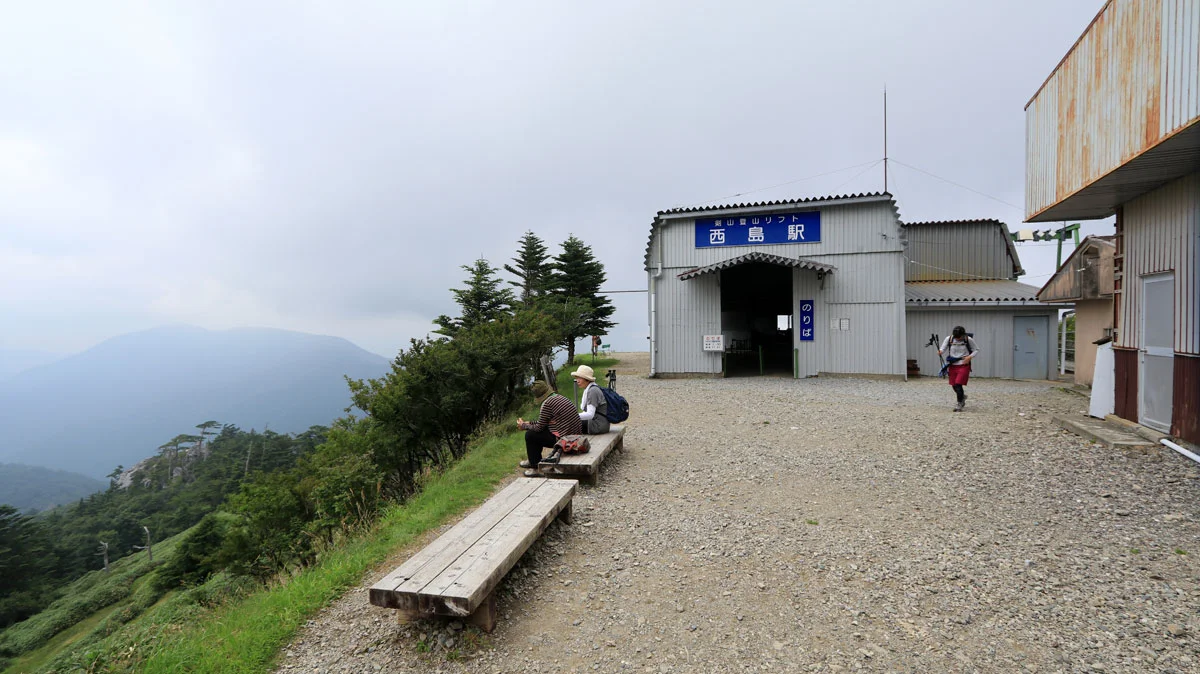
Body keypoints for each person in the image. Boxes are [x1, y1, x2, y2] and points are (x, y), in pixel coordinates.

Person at [517, 381, 580, 476]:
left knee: (530, 435)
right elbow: (545, 422)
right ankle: (532, 460)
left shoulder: (547, 404)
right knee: (536, 431)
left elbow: (539, 428)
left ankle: (535, 467)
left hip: (564, 442)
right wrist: (529, 423)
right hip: (574, 437)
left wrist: (524, 426)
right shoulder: (559, 397)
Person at [939, 326, 979, 412]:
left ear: (963, 334)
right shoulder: (949, 339)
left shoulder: (968, 339)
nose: (957, 338)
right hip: (953, 364)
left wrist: (969, 357)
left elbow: (976, 349)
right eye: (956, 337)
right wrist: (941, 351)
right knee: (954, 385)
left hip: (963, 364)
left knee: (958, 384)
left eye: (959, 337)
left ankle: (959, 404)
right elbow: (943, 347)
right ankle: (962, 397)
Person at [571, 364, 610, 435]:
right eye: (577, 378)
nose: (577, 381)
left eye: (580, 378)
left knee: (568, 425)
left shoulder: (592, 391)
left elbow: (590, 414)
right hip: (599, 423)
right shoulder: (590, 389)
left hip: (597, 425)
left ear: (587, 379)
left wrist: (571, 416)